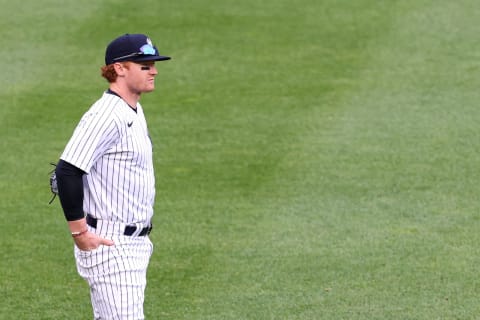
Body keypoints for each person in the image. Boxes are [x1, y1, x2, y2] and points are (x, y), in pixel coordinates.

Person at [55, 33, 170, 319]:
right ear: (119, 68)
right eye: (144, 65)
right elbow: (67, 170)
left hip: (133, 242)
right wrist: (80, 233)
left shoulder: (132, 108)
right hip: (111, 243)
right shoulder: (107, 115)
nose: (154, 70)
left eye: (153, 64)